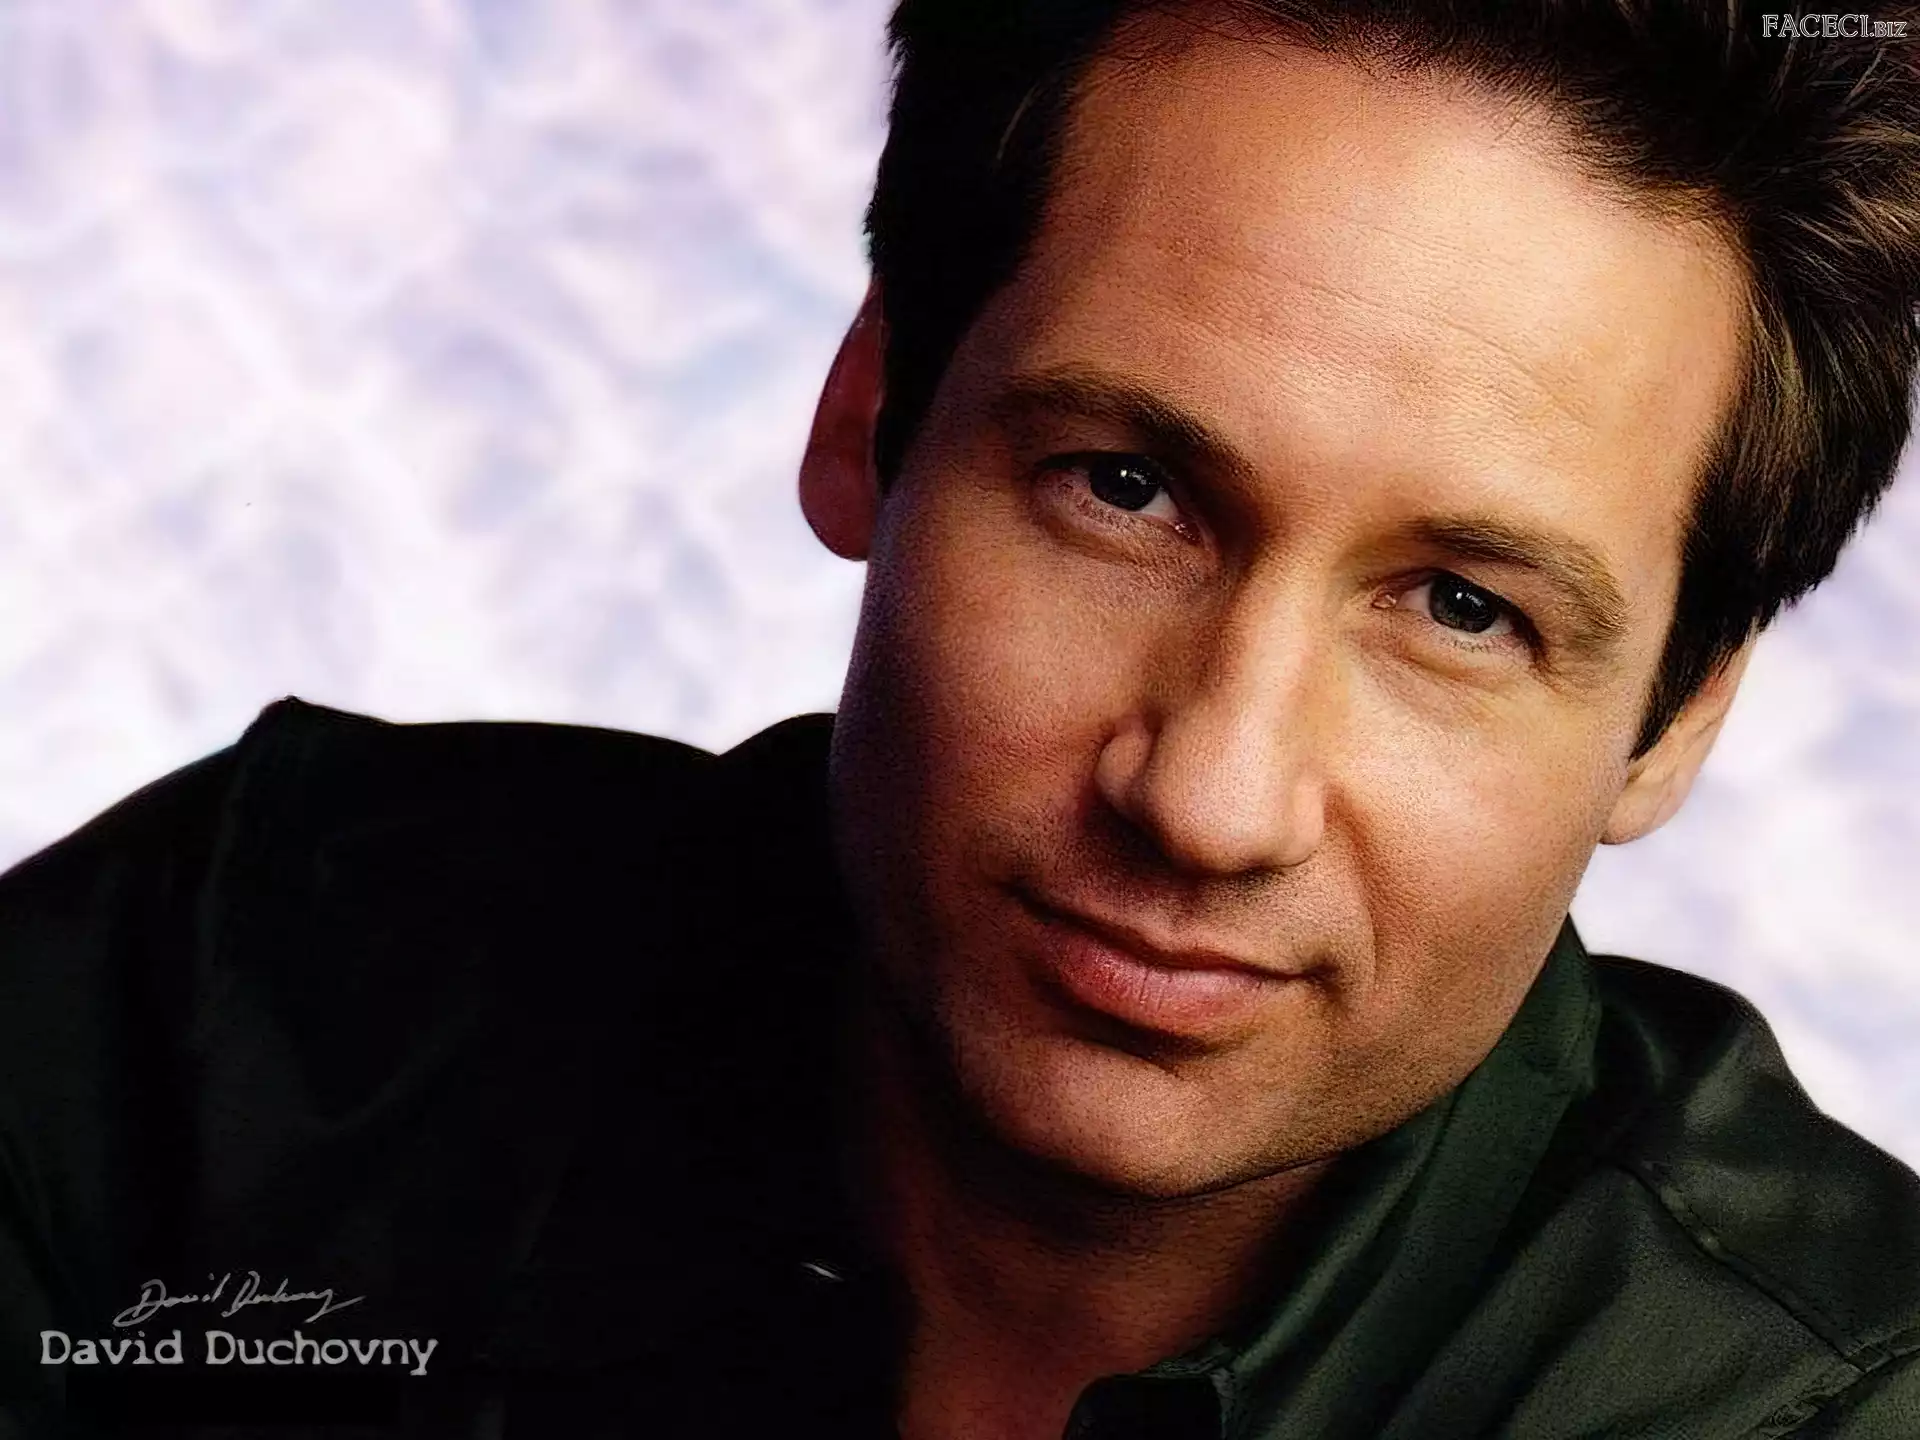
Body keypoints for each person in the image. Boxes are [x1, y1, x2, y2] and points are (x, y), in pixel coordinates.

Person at [4, 1, 1919, 1436]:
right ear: (868, 418)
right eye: (1126, 491)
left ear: (1676, 720)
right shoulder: (224, 1001)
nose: (1212, 797)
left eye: (1464, 609)